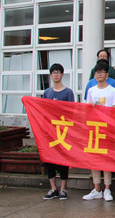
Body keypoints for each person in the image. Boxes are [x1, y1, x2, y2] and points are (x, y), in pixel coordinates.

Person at [83, 62, 115, 202]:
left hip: (107, 129)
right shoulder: (91, 90)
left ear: (107, 74)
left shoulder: (112, 90)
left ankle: (107, 188)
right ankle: (96, 188)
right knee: (95, 159)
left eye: (102, 72)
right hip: (94, 128)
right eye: (97, 72)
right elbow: (87, 109)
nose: (99, 75)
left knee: (106, 159)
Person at [42, 63, 75, 201]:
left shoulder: (68, 92)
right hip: (49, 132)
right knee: (48, 159)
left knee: (63, 160)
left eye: (58, 72)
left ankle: (63, 188)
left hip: (63, 131)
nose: (56, 75)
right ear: (50, 75)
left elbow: (72, 111)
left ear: (62, 74)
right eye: (53, 73)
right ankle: (53, 188)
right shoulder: (47, 93)